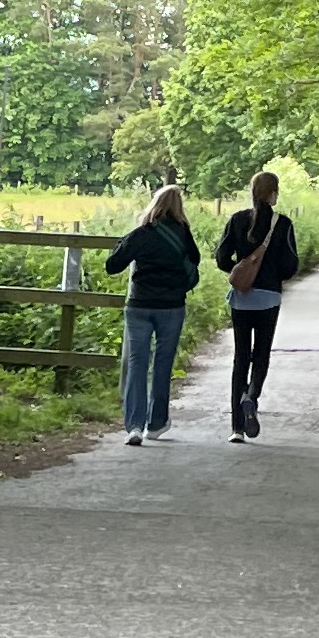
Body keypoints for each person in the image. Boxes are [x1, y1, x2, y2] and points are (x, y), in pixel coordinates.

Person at [101, 178, 200, 443]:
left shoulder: (141, 233)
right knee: (162, 364)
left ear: (154, 204)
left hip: (139, 306)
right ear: (179, 208)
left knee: (137, 362)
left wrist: (126, 243)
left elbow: (112, 265)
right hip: (171, 306)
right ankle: (156, 423)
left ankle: (134, 425)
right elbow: (196, 260)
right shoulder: (183, 233)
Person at [215, 172, 299, 441]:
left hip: (242, 299)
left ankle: (236, 428)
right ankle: (250, 397)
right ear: (273, 193)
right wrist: (272, 276)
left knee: (241, 357)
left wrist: (239, 272)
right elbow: (290, 266)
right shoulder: (282, 223)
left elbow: (220, 257)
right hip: (269, 298)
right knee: (261, 354)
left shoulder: (238, 220)